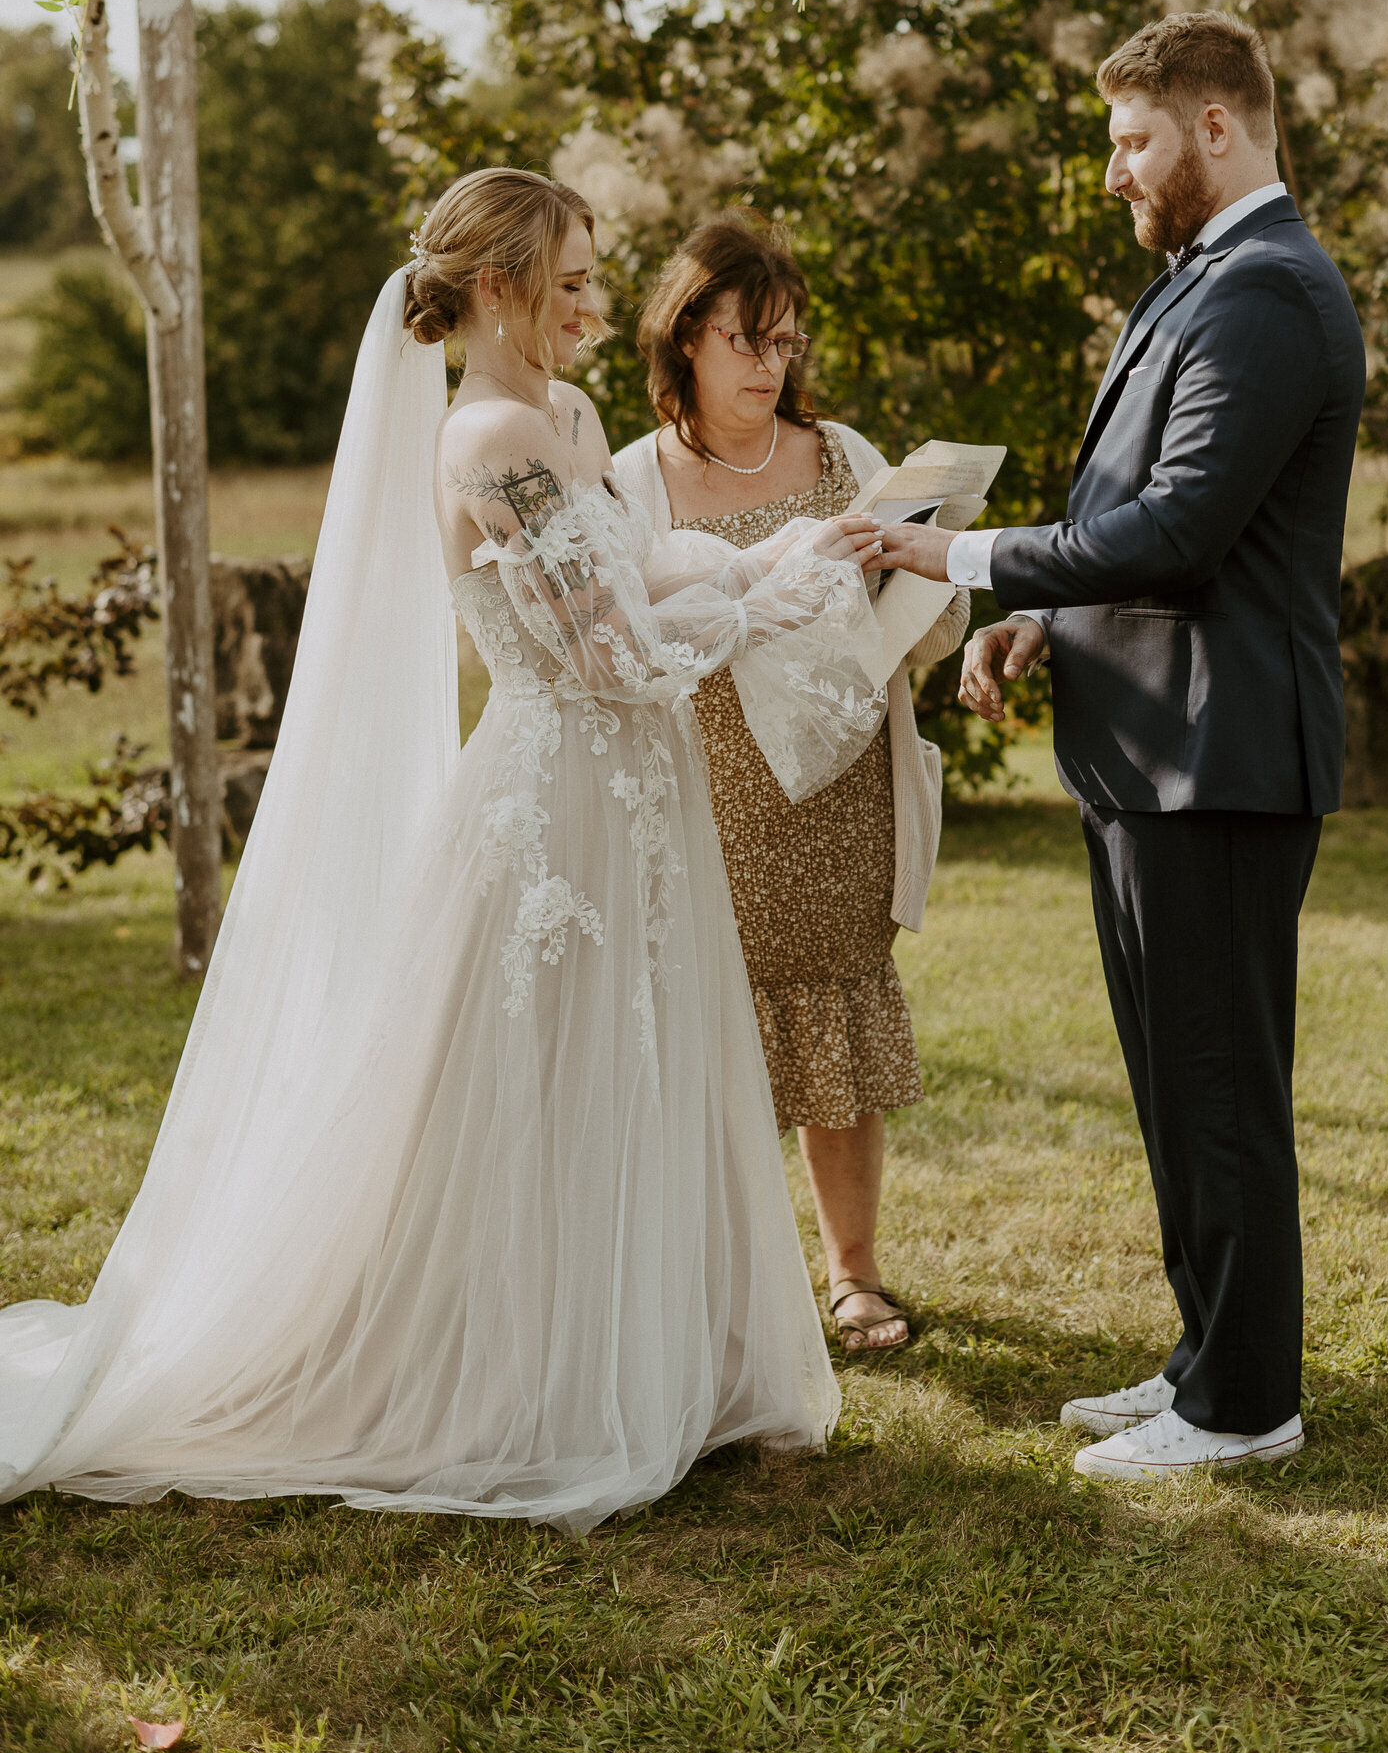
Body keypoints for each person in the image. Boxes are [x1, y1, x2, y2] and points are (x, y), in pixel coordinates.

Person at [0, 168, 892, 1530]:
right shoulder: (489, 442)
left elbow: (642, 571)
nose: (598, 306)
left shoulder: (569, 418)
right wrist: (776, 603)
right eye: (577, 282)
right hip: (557, 800)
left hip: (638, 802)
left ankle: (657, 1355)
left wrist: (775, 557)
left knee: (639, 1066)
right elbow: (609, 659)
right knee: (531, 1083)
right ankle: (521, 1379)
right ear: (499, 286)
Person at [873, 12, 1365, 1480]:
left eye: (1132, 140)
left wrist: (960, 562)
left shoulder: (1268, 292)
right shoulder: (1201, 283)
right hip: (1153, 744)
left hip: (1220, 758)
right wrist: (1049, 624)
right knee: (1177, 1073)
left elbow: (1186, 529)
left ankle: (1244, 1408)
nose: (1113, 171)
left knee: (1221, 1082)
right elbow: (1140, 529)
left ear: (1219, 128)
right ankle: (1205, 1357)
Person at [614, 214, 968, 1356]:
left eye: (782, 339)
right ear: (685, 342)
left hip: (840, 786)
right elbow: (621, 641)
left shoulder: (847, 454)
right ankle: (720, 1283)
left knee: (836, 1021)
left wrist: (904, 572)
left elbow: (928, 624)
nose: (768, 362)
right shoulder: (632, 478)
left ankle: (853, 1274)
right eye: (743, 339)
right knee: (712, 1029)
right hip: (708, 786)